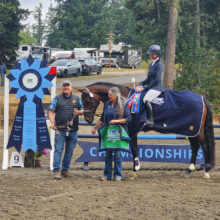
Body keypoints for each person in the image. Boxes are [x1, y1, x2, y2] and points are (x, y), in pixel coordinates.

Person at [91, 87, 132, 181]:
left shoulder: (123, 104)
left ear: (115, 95)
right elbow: (102, 119)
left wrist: (116, 121)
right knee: (107, 154)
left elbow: (128, 119)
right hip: (108, 132)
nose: (108, 96)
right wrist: (94, 127)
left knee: (117, 154)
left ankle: (118, 175)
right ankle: (107, 175)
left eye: (110, 95)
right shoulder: (106, 104)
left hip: (119, 132)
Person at [49, 80, 84, 179]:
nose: (66, 88)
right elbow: (51, 111)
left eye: (67, 86)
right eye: (64, 86)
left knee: (69, 151)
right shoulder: (57, 99)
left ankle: (65, 170)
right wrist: (52, 123)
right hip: (60, 130)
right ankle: (56, 170)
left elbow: (83, 110)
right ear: (62, 88)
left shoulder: (77, 99)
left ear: (71, 87)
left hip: (73, 130)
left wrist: (79, 112)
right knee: (58, 150)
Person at [139, 44, 165, 128]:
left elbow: (157, 79)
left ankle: (150, 120)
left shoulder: (159, 65)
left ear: (156, 55)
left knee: (146, 99)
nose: (150, 55)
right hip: (152, 86)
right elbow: (149, 78)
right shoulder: (151, 64)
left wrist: (148, 87)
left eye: (152, 54)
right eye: (150, 54)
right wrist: (142, 83)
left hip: (157, 87)